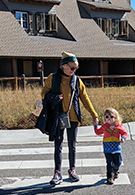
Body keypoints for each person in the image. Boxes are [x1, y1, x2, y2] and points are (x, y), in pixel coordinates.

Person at [40, 52, 98, 185]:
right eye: (72, 68)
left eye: (76, 68)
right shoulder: (53, 78)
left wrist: (94, 114)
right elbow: (43, 94)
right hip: (58, 117)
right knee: (58, 145)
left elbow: (85, 98)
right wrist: (55, 98)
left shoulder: (77, 80)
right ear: (64, 66)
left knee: (72, 145)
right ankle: (57, 172)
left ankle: (72, 170)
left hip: (73, 118)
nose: (74, 71)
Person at [94, 107, 127, 185]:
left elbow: (124, 133)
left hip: (116, 148)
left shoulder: (119, 127)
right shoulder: (104, 127)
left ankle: (115, 171)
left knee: (118, 162)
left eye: (111, 117)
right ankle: (109, 177)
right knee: (109, 163)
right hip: (107, 148)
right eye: (107, 117)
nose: (109, 118)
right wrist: (95, 126)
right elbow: (98, 132)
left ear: (116, 118)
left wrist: (123, 138)